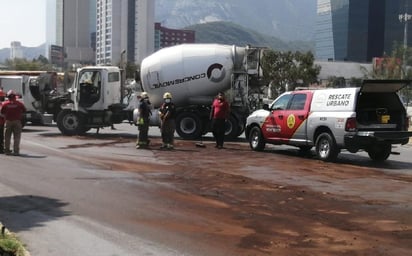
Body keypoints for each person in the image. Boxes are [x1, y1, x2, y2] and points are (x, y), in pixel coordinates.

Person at [1, 90, 27, 156]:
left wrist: (6, 117)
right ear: (15, 96)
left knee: (7, 137)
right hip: (17, 121)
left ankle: (7, 151)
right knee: (17, 137)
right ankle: (16, 151)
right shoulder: (19, 104)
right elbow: (24, 111)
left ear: (8, 97)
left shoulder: (5, 104)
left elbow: (2, 113)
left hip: (8, 121)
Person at [0, 89, 5, 154]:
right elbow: (1, 114)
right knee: (1, 136)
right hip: (0, 123)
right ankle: (1, 149)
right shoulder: (1, 104)